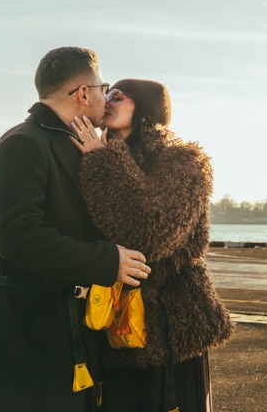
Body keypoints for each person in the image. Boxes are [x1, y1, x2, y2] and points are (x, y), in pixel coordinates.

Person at [0, 48, 152, 411]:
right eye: (102, 87)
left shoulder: (69, 143)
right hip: (25, 325)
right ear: (84, 94)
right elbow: (17, 235)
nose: (106, 96)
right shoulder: (23, 143)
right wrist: (106, 260)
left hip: (61, 322)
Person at [70, 79, 233, 412]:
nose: (109, 100)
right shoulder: (95, 157)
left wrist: (103, 162)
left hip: (171, 328)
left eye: (119, 96)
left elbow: (151, 232)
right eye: (107, 94)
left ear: (144, 109)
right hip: (112, 326)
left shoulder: (185, 162)